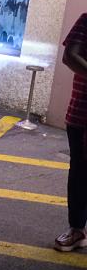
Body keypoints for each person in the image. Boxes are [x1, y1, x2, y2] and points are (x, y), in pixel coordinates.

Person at [55, 13, 87, 252]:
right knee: (80, 173)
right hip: (82, 114)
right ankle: (77, 229)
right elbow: (70, 56)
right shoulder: (86, 20)